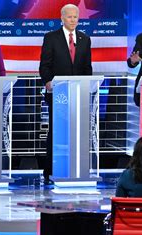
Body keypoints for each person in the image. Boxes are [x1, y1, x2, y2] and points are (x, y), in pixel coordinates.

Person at [39, 3, 92, 183]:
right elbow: (44, 65)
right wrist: (47, 82)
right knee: (56, 131)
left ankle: (75, 168)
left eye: (75, 17)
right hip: (57, 94)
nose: (73, 20)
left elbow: (87, 68)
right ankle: (50, 171)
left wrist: (86, 87)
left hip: (78, 95)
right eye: (69, 17)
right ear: (62, 18)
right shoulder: (51, 38)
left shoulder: (85, 39)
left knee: (77, 131)